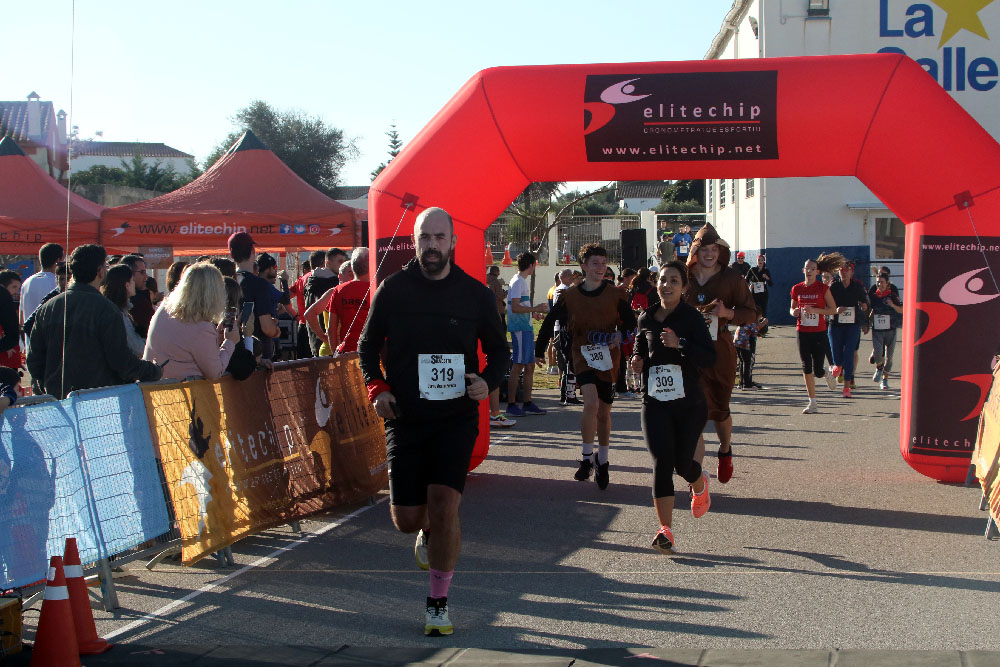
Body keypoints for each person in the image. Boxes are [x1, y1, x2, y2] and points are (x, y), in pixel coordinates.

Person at [357, 207, 510, 637]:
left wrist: (488, 381)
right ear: (415, 242)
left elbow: (500, 353)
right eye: (424, 238)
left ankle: (438, 605)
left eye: (439, 238)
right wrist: (378, 389)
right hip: (406, 416)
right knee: (407, 518)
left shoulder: (475, 295)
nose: (431, 247)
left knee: (445, 506)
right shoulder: (393, 290)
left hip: (455, 417)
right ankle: (422, 531)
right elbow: (368, 349)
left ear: (453, 243)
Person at [535, 243, 637, 489]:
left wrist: (619, 335)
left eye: (603, 264)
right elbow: (550, 321)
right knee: (590, 403)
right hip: (582, 353)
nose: (600, 268)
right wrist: (538, 351)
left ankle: (602, 460)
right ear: (583, 266)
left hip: (609, 357)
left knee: (604, 412)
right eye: (595, 264)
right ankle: (586, 458)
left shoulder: (616, 294)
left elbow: (631, 324)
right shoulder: (570, 296)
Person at [630, 262, 715, 554]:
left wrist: (681, 344)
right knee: (661, 463)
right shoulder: (647, 317)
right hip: (654, 401)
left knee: (682, 464)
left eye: (674, 281)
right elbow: (641, 346)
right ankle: (665, 530)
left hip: (689, 403)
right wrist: (637, 360)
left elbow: (709, 358)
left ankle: (699, 481)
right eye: (663, 280)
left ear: (684, 287)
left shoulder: (692, 318)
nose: (667, 285)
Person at [27, 244, 162, 398]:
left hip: (58, 400)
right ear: (99, 271)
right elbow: (121, 361)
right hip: (98, 400)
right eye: (105, 266)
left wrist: (48, 383)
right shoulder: (106, 309)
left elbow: (34, 361)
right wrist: (153, 370)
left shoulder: (48, 308)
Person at [683, 223, 758, 483]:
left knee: (720, 409)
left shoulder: (732, 279)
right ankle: (696, 476)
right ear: (695, 250)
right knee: (695, 412)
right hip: (689, 352)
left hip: (720, 351)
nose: (709, 254)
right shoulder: (684, 277)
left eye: (714, 249)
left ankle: (725, 449)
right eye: (704, 249)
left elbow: (752, 313)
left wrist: (728, 314)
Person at [144, 262, 239, 381]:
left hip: (152, 389)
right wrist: (230, 342)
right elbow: (215, 372)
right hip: (180, 393)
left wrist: (216, 340)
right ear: (215, 293)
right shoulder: (201, 328)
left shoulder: (164, 308)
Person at [790, 254, 844, 414]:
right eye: (807, 268)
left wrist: (815, 310)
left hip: (819, 332)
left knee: (818, 370)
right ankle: (812, 402)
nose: (809, 271)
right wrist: (795, 312)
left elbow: (833, 309)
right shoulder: (797, 288)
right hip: (802, 331)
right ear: (803, 270)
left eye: (812, 269)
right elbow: (792, 308)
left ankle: (827, 372)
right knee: (806, 366)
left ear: (817, 272)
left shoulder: (823, 288)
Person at [505, 252, 548, 418]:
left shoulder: (520, 281)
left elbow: (519, 306)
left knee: (529, 366)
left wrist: (532, 314)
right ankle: (511, 404)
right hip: (520, 329)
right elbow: (515, 308)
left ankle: (527, 402)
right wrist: (535, 309)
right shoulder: (517, 282)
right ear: (531, 265)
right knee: (518, 365)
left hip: (526, 327)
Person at [230, 232, 281, 361]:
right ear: (253, 251)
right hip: (258, 357)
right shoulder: (259, 284)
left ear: (231, 255)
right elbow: (267, 328)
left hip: (231, 354)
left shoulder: (227, 282)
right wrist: (276, 330)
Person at [827, 259, 870, 398]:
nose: (843, 273)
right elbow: (826, 304)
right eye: (841, 270)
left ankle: (847, 388)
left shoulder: (857, 287)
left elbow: (865, 303)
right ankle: (837, 367)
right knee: (837, 356)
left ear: (852, 272)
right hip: (836, 324)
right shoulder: (833, 286)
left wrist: (864, 308)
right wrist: (835, 309)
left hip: (852, 325)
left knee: (850, 354)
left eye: (846, 271)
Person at [318, 247, 371, 355]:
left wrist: (335, 354)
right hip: (372, 351)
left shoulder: (339, 290)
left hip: (347, 352)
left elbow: (331, 328)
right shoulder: (377, 289)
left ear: (353, 266)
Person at [303, 249, 346, 355]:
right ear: (328, 263)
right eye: (340, 261)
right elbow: (309, 313)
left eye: (344, 261)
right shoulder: (332, 285)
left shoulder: (311, 280)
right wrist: (323, 336)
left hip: (316, 341)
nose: (343, 265)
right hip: (329, 344)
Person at [101, 264, 145, 357]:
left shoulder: (115, 309)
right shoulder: (118, 313)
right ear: (127, 284)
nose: (134, 283)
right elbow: (138, 348)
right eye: (132, 280)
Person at [869, 272, 903, 390]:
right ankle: (879, 367)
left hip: (891, 330)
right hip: (877, 330)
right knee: (878, 353)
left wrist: (892, 305)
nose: (879, 284)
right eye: (878, 282)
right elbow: (871, 310)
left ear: (887, 283)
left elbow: (901, 310)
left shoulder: (892, 296)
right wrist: (867, 321)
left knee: (890, 357)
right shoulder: (873, 296)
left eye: (882, 282)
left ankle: (885, 379)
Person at [19, 243, 63, 331]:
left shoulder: (26, 282)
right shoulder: (58, 283)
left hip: (29, 340)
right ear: (58, 260)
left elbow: (21, 320)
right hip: (49, 340)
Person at [551, 268, 579, 405]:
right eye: (571, 277)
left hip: (559, 328)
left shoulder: (559, 289)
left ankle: (565, 393)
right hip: (564, 329)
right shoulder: (564, 291)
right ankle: (569, 394)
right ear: (566, 277)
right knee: (569, 362)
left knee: (566, 363)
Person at [290, 252, 324, 359]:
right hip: (317, 327)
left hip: (303, 326)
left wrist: (295, 315)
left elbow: (286, 297)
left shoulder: (301, 279)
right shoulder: (322, 279)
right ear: (324, 263)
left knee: (303, 365)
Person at [23, 262, 66, 338]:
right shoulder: (52, 297)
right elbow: (28, 325)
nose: (64, 283)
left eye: (68, 279)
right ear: (56, 280)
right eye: (61, 279)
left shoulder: (79, 296)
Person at [120, 255, 154, 337]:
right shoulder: (136, 301)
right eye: (142, 272)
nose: (146, 276)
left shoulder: (141, 296)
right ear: (130, 275)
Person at [734, 315, 767, 390]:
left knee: (742, 362)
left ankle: (741, 382)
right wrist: (764, 322)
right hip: (744, 344)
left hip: (737, 343)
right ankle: (747, 384)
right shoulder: (753, 323)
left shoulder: (745, 321)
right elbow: (756, 330)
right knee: (748, 363)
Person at [745, 254, 773, 335]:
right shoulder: (752, 270)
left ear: (764, 261)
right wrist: (751, 284)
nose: (760, 262)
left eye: (761, 260)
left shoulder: (766, 270)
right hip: (755, 293)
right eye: (758, 260)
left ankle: (763, 329)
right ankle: (754, 328)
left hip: (763, 293)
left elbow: (771, 283)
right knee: (756, 310)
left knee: (764, 311)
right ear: (756, 261)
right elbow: (746, 281)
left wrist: (767, 278)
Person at [0, 271, 21, 372]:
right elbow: (12, 333)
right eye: (14, 287)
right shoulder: (4, 297)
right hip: (5, 358)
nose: (17, 292)